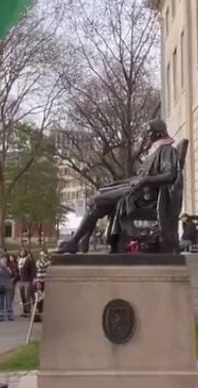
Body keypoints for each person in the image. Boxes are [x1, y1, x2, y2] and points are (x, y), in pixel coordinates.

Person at [57, 119, 182, 254]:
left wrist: (145, 180)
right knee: (101, 193)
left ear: (158, 134)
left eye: (149, 133)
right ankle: (82, 239)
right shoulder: (156, 150)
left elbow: (170, 175)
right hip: (137, 191)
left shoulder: (167, 150)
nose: (146, 136)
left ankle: (76, 241)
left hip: (145, 197)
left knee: (96, 201)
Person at [0, 254, 15, 321]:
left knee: (9, 301)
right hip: (0, 285)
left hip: (8, 285)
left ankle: (10, 315)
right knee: (1, 301)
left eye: (5, 258)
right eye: (2, 258)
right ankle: (1, 315)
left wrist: (5, 267)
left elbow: (11, 273)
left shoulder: (10, 265)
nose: (4, 260)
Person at [17, 249, 37, 318]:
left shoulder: (28, 260)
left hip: (27, 280)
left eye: (23, 252)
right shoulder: (19, 260)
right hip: (21, 280)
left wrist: (33, 278)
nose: (22, 253)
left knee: (27, 296)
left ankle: (28, 311)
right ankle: (24, 310)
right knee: (22, 296)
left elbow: (33, 270)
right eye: (21, 252)